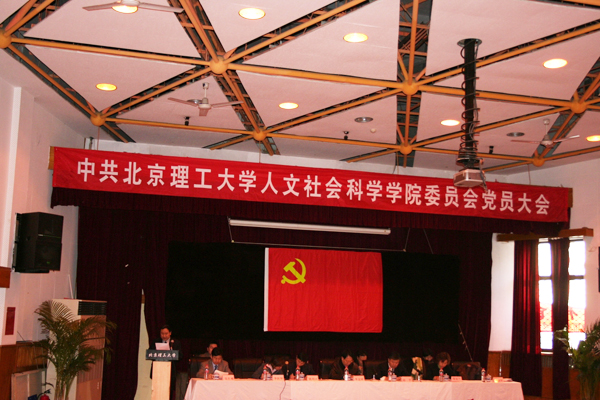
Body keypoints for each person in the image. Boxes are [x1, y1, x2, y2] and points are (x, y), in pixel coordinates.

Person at [150, 325, 181, 400]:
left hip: (170, 371)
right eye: (162, 333)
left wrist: (172, 352)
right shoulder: (155, 341)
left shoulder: (175, 343)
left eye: (166, 333)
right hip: (157, 371)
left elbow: (180, 356)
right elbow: (150, 354)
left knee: (168, 392)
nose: (164, 336)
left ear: (170, 333)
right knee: (157, 391)